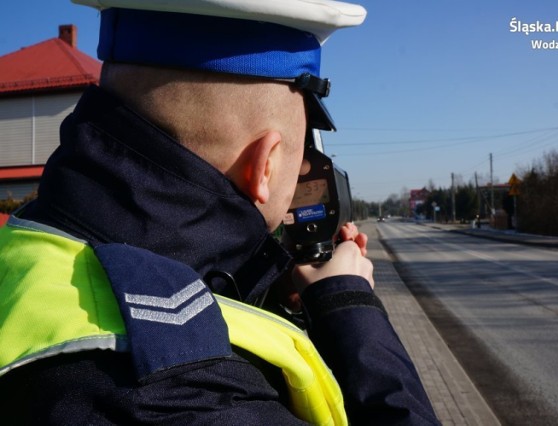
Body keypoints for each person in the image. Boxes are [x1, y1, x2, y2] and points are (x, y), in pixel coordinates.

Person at [0, 1, 440, 424]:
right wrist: (348, 304)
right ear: (264, 165)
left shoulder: (27, 243)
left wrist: (261, 289)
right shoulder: (172, 389)